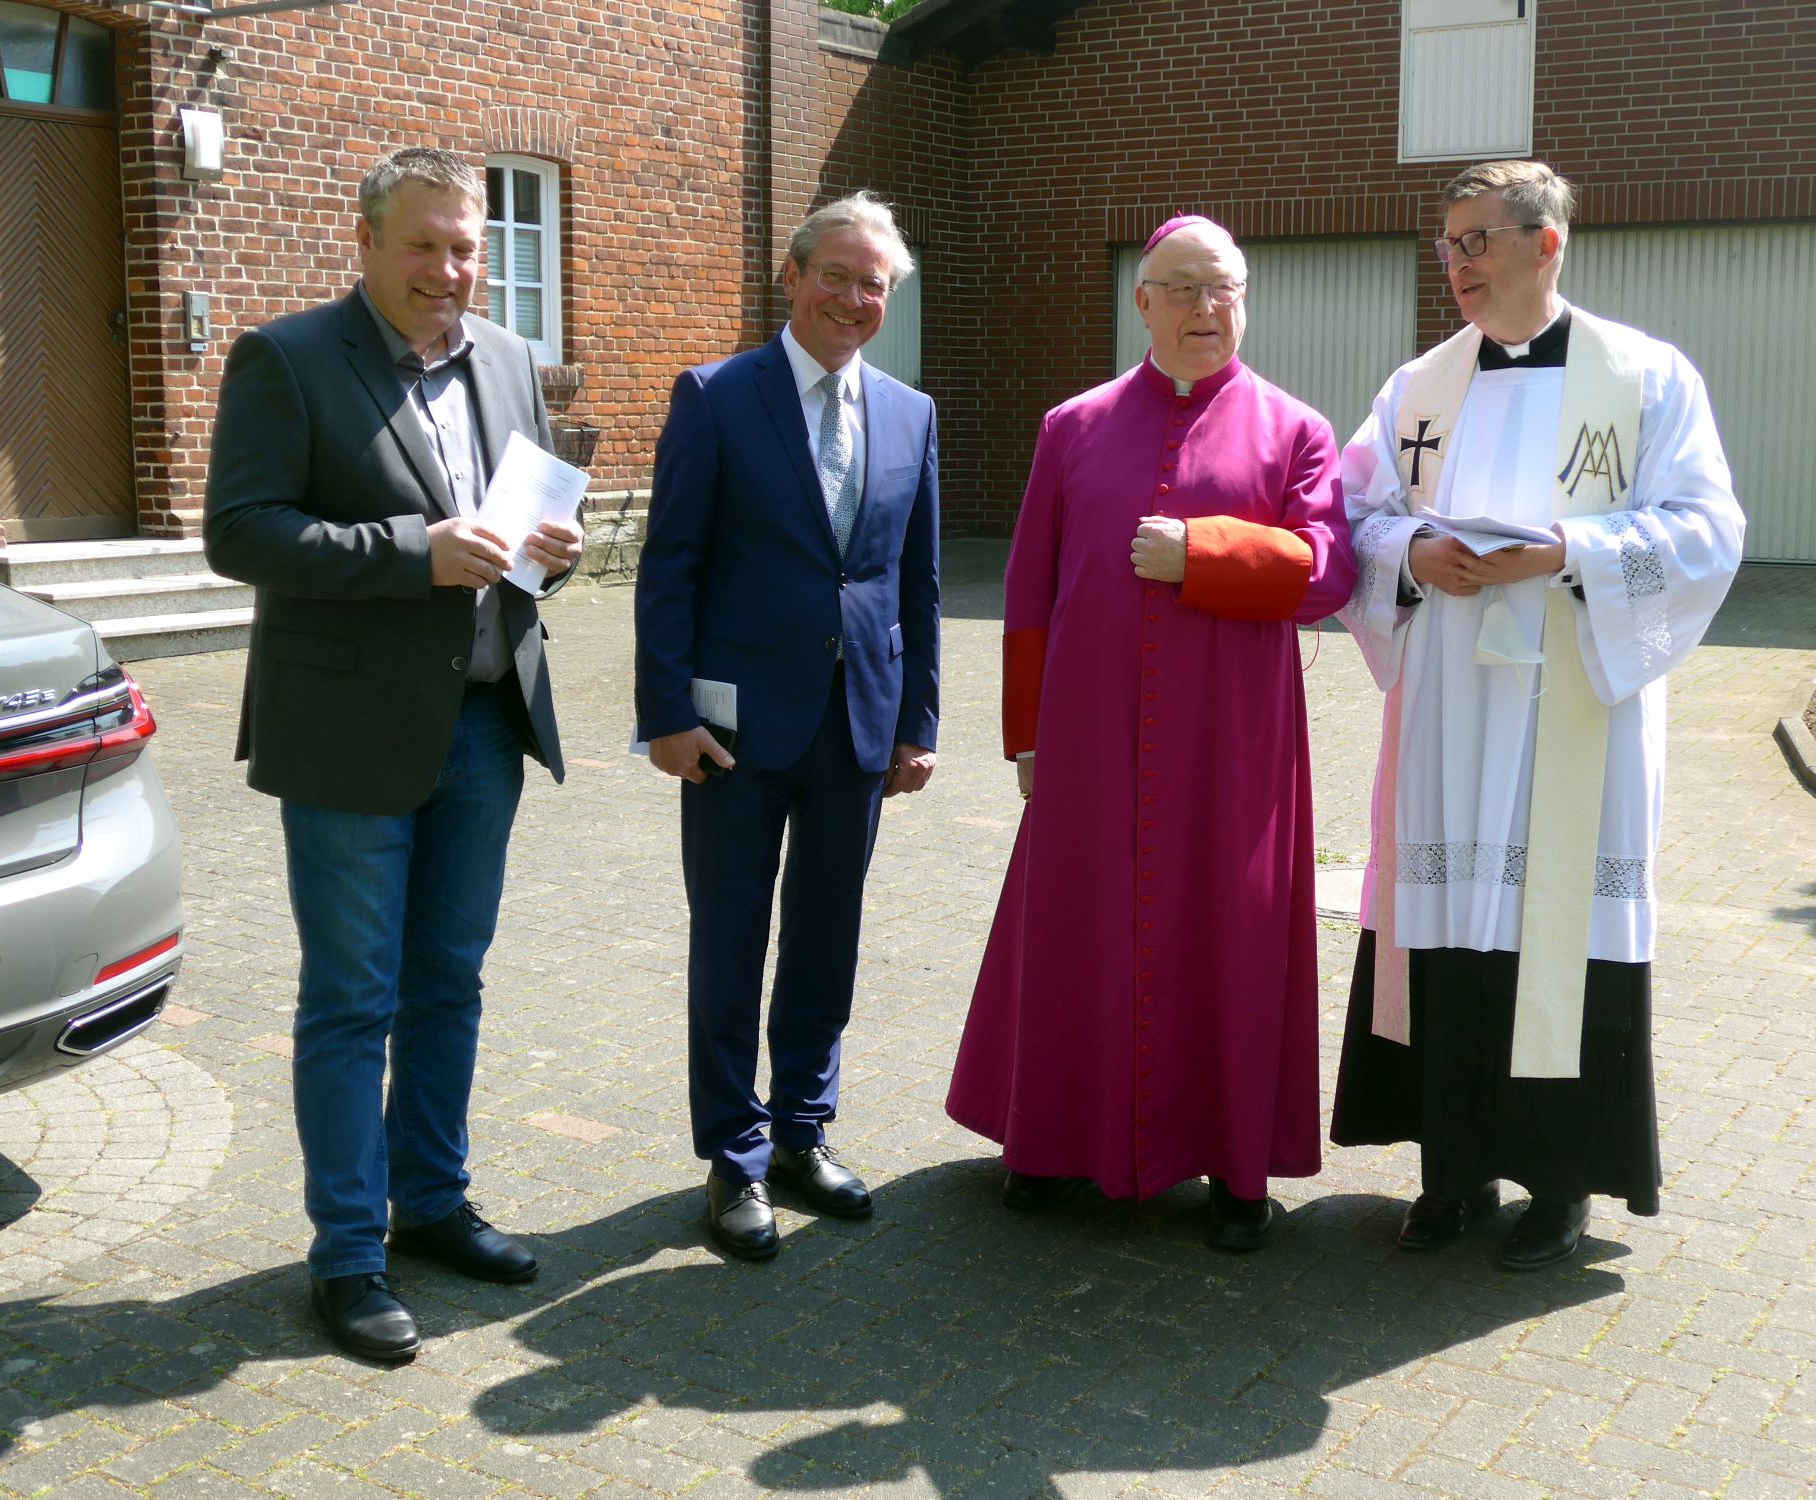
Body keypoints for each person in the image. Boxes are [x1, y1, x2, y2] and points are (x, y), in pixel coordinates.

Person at [1330, 160, 1744, 1270]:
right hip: (1448, 707)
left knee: (1556, 924)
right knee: (1448, 924)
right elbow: (1352, 516)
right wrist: (1411, 554)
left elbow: (1707, 530)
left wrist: (1568, 551)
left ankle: (1561, 1187)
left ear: (1545, 243)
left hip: (1573, 706)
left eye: (1476, 241)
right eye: (1448, 243)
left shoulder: (1644, 377)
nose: (1455, 264)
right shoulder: (1418, 385)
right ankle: (1451, 1172)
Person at [204, 147, 583, 1359]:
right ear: (365, 242)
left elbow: (520, 527)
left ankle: (432, 1201)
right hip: (347, 736)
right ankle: (347, 1255)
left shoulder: (510, 359)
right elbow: (240, 533)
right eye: (423, 245)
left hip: (484, 723)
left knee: (448, 984)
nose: (448, 269)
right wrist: (411, 552)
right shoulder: (286, 358)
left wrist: (549, 553)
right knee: (351, 999)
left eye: (467, 247)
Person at [944, 214, 1355, 1250]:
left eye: (1222, 289)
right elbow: (1027, 590)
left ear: (1244, 299)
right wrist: (1026, 736)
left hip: (1232, 745)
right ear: (1141, 302)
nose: (1204, 309)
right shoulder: (1072, 425)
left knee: (1231, 934)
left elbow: (1328, 571)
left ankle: (1233, 1165)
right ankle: (1046, 1140)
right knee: (1075, 928)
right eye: (1180, 288)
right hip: (1090, 730)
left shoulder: (1296, 430)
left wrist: (1203, 555)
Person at [634, 192, 939, 1262]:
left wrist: (916, 720)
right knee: (729, 940)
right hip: (733, 730)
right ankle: (734, 1156)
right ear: (793, 277)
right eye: (836, 276)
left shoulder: (910, 413)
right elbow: (670, 565)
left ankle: (804, 1132)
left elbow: (915, 580)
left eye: (874, 285)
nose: (853, 299)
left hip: (857, 720)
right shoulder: (717, 396)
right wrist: (665, 713)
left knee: (826, 936)